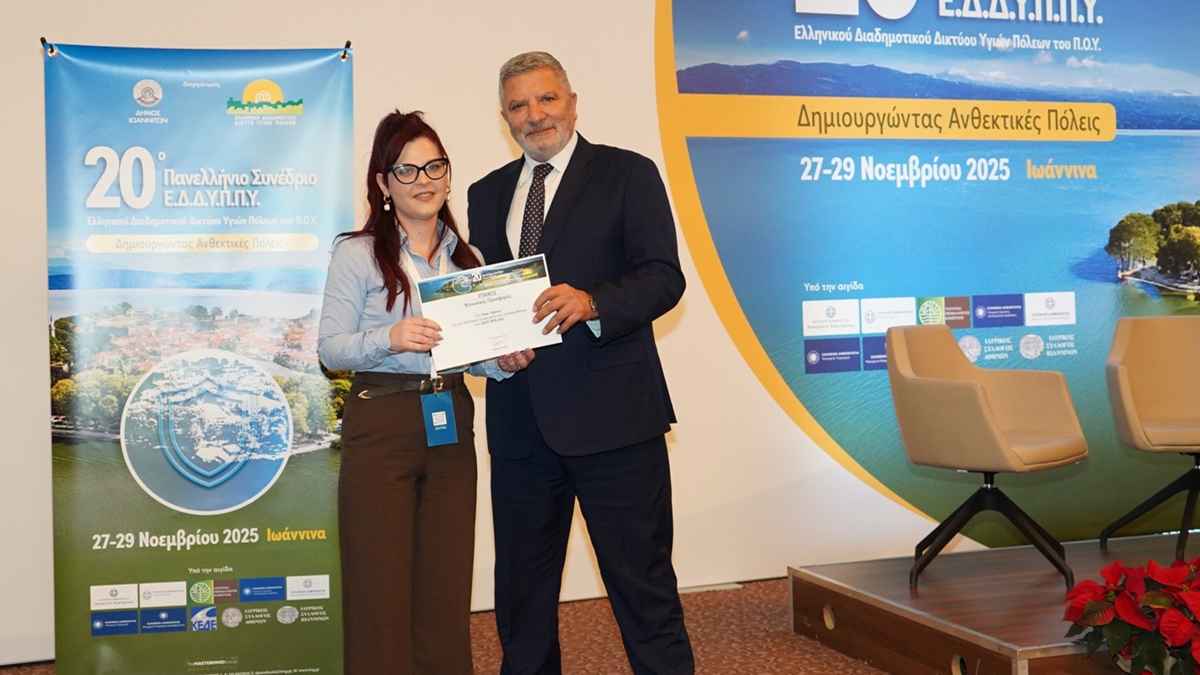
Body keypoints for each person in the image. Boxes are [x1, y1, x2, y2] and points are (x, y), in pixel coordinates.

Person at [467, 52, 694, 675]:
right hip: (519, 425)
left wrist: (594, 302)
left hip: (615, 423)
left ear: (572, 102)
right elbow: (482, 300)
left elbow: (663, 277)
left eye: (546, 99)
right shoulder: (485, 194)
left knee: (643, 589)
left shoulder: (629, 173)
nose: (535, 115)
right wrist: (489, 348)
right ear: (504, 118)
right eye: (519, 105)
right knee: (522, 599)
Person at [318, 110, 533, 675]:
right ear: (383, 184)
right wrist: (389, 338)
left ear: (448, 174)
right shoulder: (357, 253)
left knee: (445, 583)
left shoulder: (468, 259)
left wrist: (504, 361)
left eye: (434, 167)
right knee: (379, 587)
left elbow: (475, 354)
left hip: (450, 419)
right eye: (407, 171)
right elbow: (331, 350)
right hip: (382, 419)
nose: (424, 180)